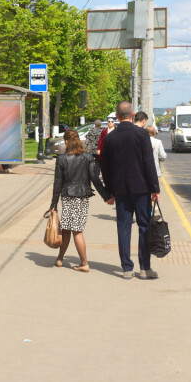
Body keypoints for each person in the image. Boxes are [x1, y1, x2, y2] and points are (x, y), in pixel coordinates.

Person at [100, 101, 161, 280]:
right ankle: (144, 268)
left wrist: (109, 191)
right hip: (141, 189)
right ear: (133, 114)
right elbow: (149, 163)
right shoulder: (142, 134)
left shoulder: (110, 137)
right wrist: (154, 189)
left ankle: (126, 268)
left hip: (120, 190)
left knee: (124, 227)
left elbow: (105, 167)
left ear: (117, 117)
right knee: (144, 226)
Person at [50, 130, 114, 273]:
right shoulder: (87, 157)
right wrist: (107, 196)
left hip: (67, 197)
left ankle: (83, 263)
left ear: (66, 142)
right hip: (82, 197)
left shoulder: (61, 159)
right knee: (75, 230)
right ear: (78, 140)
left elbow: (57, 184)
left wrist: (53, 205)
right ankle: (60, 258)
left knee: (67, 229)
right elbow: (95, 179)